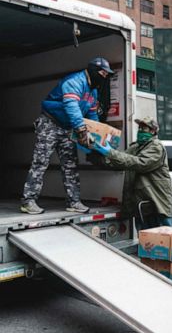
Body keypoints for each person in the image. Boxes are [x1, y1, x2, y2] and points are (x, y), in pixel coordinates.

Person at [20, 57, 114, 215]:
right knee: (40, 162)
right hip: (50, 123)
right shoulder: (74, 81)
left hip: (68, 128)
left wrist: (98, 135)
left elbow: (91, 114)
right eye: (103, 73)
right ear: (93, 71)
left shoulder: (93, 91)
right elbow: (71, 107)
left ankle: (74, 202)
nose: (105, 77)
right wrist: (81, 129)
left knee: (70, 165)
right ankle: (28, 201)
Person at [91, 116, 172, 232]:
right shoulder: (135, 147)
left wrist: (109, 152)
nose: (140, 131)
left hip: (156, 205)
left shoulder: (156, 147)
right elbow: (118, 162)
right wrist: (95, 153)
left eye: (144, 128)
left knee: (163, 241)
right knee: (145, 243)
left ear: (153, 131)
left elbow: (139, 163)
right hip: (142, 207)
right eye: (139, 128)